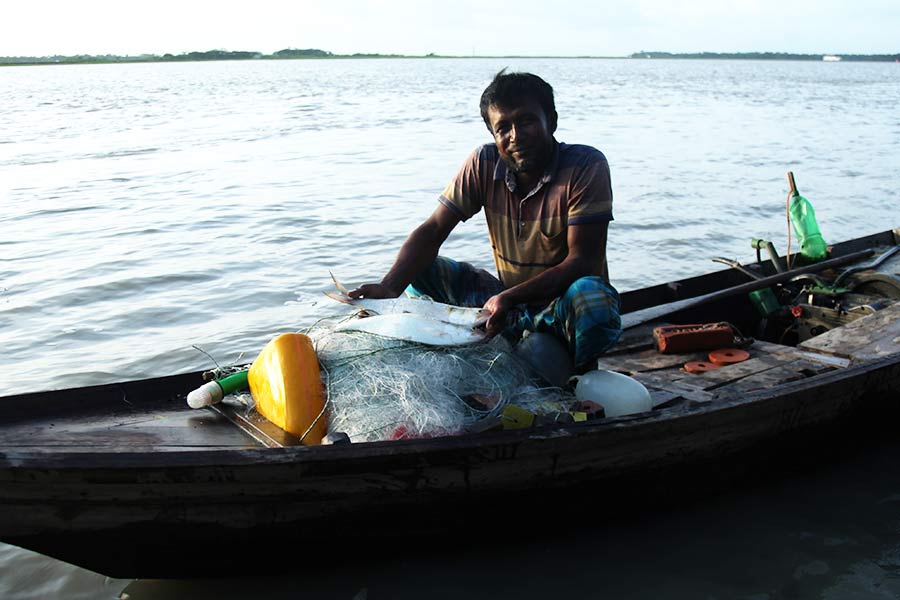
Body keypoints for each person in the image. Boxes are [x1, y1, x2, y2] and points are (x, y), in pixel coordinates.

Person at [349, 70, 621, 369]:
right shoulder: (484, 163)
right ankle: (506, 336)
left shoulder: (585, 166)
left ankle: (576, 370)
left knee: (592, 299)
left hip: (559, 305)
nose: (515, 136)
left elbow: (583, 260)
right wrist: (389, 288)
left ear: (551, 121)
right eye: (503, 127)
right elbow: (433, 229)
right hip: (505, 301)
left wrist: (510, 298)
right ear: (493, 134)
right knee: (422, 269)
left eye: (526, 121)